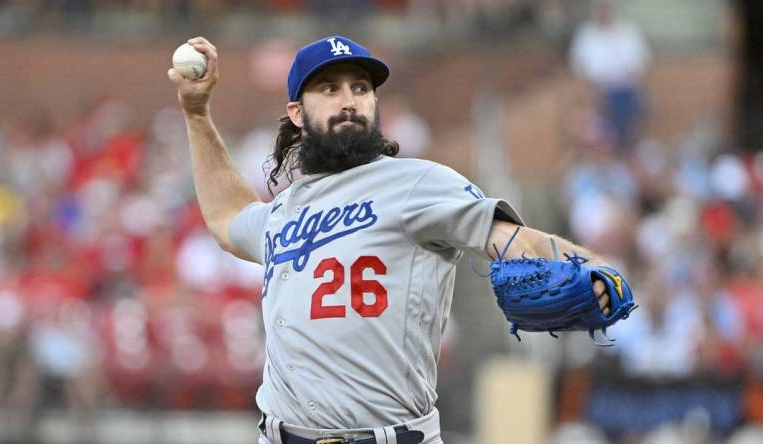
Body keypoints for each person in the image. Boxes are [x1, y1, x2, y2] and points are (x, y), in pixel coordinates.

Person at [168, 35, 613, 444]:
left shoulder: (416, 183)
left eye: (361, 89)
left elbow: (509, 237)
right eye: (329, 89)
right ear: (296, 113)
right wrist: (196, 114)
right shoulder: (284, 211)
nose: (349, 101)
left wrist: (588, 267)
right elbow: (228, 217)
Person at [569, 0, 650, 152]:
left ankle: (626, 149)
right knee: (597, 115)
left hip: (627, 87)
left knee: (634, 107)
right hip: (598, 90)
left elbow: (641, 63)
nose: (604, 13)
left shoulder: (628, 31)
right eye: (601, 8)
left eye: (607, 8)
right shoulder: (586, 34)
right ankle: (607, 148)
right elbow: (579, 67)